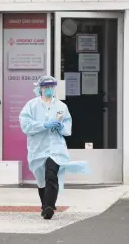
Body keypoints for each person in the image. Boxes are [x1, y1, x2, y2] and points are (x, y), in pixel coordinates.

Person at [19, 76, 90, 220]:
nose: (49, 89)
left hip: (56, 148)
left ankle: (49, 207)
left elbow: (68, 126)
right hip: (37, 148)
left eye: (51, 86)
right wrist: (43, 125)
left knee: (51, 174)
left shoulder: (61, 106)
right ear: (40, 88)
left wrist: (61, 127)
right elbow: (25, 125)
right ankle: (45, 205)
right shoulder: (31, 105)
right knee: (41, 179)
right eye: (46, 87)